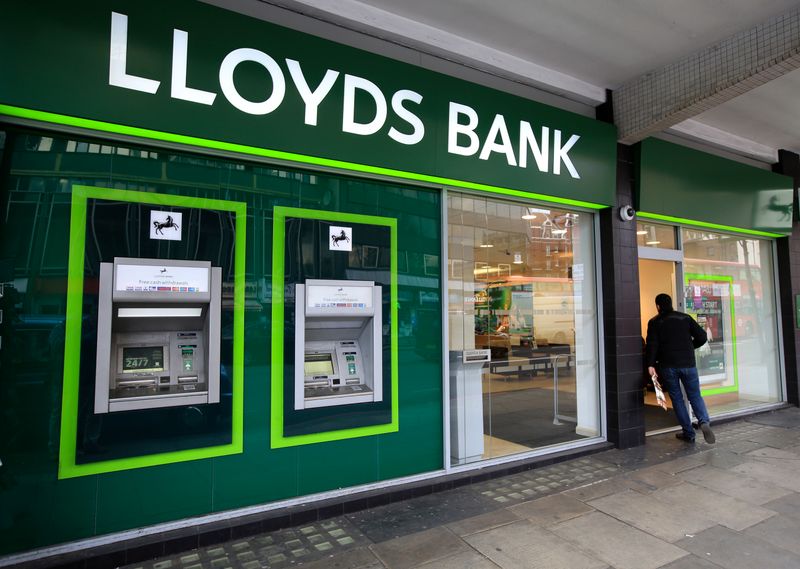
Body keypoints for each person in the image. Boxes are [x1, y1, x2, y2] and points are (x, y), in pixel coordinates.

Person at [645, 293, 715, 444]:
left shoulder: (654, 322)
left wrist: (650, 364)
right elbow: (702, 337)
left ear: (658, 306)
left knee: (677, 399)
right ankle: (703, 422)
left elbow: (652, 345)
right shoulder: (685, 318)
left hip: (668, 365)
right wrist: (690, 347)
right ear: (671, 303)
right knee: (695, 395)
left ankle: (688, 433)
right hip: (688, 364)